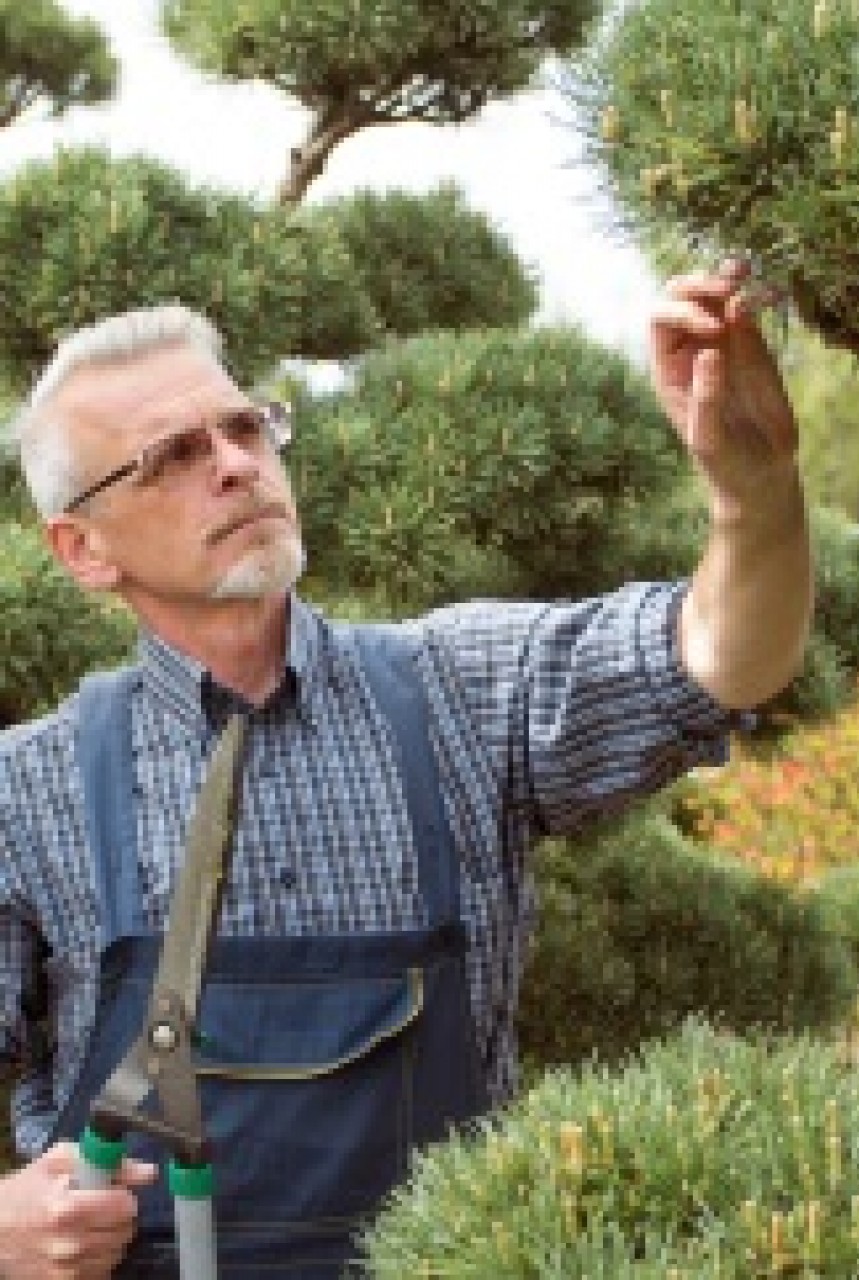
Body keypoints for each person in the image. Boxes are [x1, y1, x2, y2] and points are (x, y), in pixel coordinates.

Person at [0, 260, 813, 1278]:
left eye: (244, 427)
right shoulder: (24, 790)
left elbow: (713, 659)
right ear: (80, 547)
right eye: (170, 455)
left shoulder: (459, 693)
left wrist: (756, 498)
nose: (235, 465)